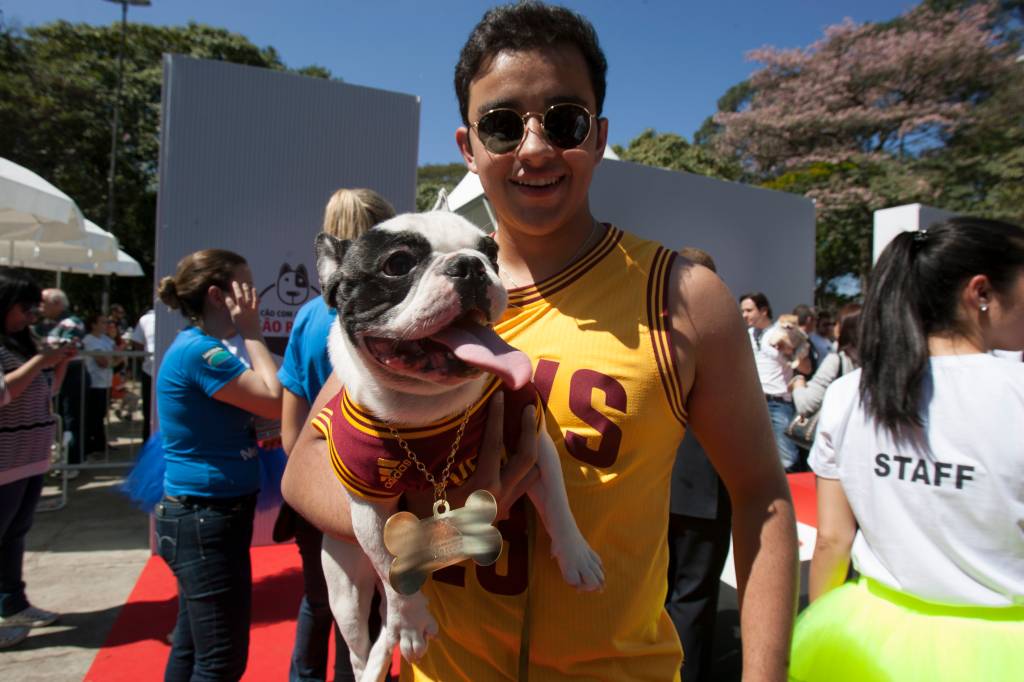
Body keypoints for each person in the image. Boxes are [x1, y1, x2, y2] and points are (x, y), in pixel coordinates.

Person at [283, 4, 797, 681]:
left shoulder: (685, 296)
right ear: (469, 147)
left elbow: (762, 495)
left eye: (564, 121)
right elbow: (306, 470)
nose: (534, 148)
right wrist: (458, 526)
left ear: (598, 135)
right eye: (502, 124)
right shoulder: (410, 310)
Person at [790, 218, 1024, 682]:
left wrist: (823, 632)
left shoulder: (851, 393)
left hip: (869, 637)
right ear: (981, 293)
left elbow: (834, 541)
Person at [277, 188, 396, 682]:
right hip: (381, 488)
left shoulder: (306, 316)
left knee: (321, 601)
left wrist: (315, 490)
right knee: (373, 623)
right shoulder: (390, 311)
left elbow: (292, 429)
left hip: (316, 492)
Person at [154, 249, 283, 681]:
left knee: (193, 646)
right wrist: (253, 333)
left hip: (205, 516)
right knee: (221, 659)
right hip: (205, 519)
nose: (254, 298)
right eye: (245, 287)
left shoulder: (201, 349)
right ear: (216, 295)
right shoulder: (201, 353)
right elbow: (274, 398)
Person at [666, 247, 733, 682]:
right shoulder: (721, 335)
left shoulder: (647, 330)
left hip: (652, 485)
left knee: (653, 594)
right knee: (691, 598)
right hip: (703, 488)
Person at [0, 269, 75, 648]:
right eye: (25, 307)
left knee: (15, 535)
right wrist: (40, 362)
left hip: (29, 458)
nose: (31, 316)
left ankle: (12, 603)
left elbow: (49, 389)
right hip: (5, 460)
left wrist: (57, 362)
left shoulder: (23, 343)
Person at [740, 291, 809, 471]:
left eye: (749, 310)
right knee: (754, 459)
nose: (744, 315)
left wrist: (790, 350)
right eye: (743, 311)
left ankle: (793, 498)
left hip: (778, 404)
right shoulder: (745, 335)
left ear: (763, 311)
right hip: (753, 404)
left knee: (787, 460)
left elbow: (805, 368)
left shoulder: (784, 333)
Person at [38, 289, 87, 471]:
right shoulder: (43, 323)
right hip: (50, 375)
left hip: (71, 374)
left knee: (70, 418)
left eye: (43, 302)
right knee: (56, 418)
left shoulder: (72, 323)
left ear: (57, 303)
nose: (39, 306)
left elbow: (67, 347)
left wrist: (44, 351)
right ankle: (59, 458)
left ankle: (72, 462)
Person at [790, 304, 861, 418]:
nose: (832, 327)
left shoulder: (836, 360)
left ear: (843, 327)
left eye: (835, 323)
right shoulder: (874, 362)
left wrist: (798, 383)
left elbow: (805, 404)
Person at [82, 312, 119, 455]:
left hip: (106, 382)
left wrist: (113, 361)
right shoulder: (89, 340)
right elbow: (103, 362)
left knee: (101, 414)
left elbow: (119, 356)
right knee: (94, 416)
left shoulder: (106, 339)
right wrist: (113, 361)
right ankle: (94, 445)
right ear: (93, 325)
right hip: (95, 383)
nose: (107, 325)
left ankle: (100, 443)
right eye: (103, 322)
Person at [129, 308, 155, 441]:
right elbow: (137, 342)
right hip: (149, 372)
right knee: (149, 411)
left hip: (170, 371)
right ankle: (148, 445)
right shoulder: (145, 319)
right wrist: (145, 359)